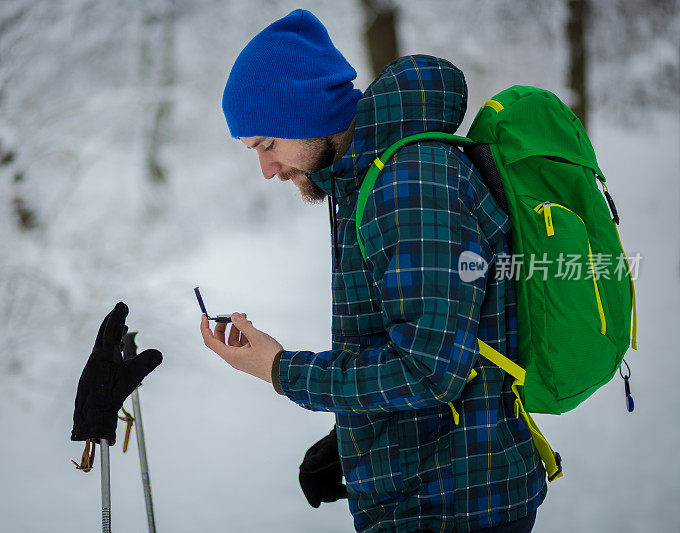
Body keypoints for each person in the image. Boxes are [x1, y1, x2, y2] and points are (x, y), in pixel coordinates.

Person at [200, 9, 546, 533]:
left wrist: (280, 370)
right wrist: (357, 443)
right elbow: (427, 343)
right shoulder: (367, 182)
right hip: (435, 489)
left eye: (267, 144)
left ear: (308, 115)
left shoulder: (407, 186)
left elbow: (430, 369)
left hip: (453, 507)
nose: (267, 170)